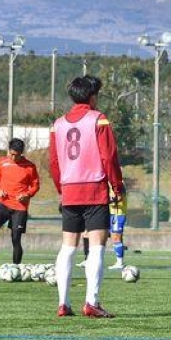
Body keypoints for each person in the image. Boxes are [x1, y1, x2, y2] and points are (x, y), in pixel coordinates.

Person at [49, 75, 125, 319]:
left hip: (69, 189)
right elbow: (109, 156)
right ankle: (92, 302)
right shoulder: (98, 119)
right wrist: (117, 185)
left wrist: (62, 189)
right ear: (92, 96)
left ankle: (63, 303)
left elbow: (53, 161)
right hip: (94, 188)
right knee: (97, 246)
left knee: (68, 246)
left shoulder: (58, 124)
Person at [0, 139, 39, 265]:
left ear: (21, 153)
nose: (13, 157)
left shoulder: (30, 166)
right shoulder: (2, 162)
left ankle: (16, 267)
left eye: (16, 155)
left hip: (20, 207)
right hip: (3, 203)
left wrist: (27, 194)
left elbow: (35, 185)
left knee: (16, 238)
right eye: (11, 154)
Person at [107, 190, 127, 270]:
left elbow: (120, 197)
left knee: (116, 237)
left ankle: (120, 263)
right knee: (114, 237)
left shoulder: (118, 182)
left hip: (118, 213)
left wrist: (107, 201)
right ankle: (119, 261)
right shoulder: (110, 182)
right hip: (113, 213)